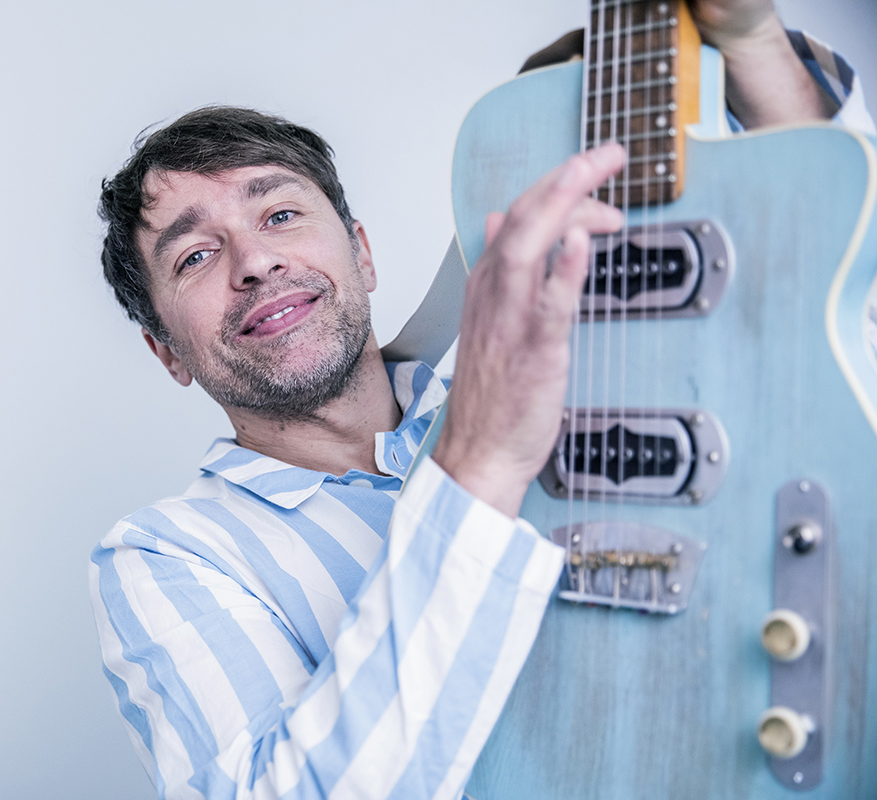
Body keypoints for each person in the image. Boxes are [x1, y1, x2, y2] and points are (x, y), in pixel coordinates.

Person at [90, 3, 873, 798]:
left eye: (281, 214)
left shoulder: (589, 385)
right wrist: (481, 462)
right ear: (167, 352)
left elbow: (828, 303)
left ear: (362, 253)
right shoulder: (166, 555)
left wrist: (753, 46)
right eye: (195, 255)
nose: (255, 261)